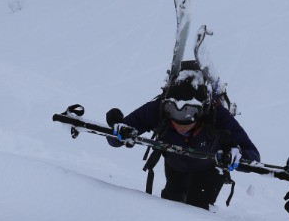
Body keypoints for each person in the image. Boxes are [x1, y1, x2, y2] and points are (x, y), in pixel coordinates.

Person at [106, 64, 260, 210]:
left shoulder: (217, 115)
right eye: (172, 110)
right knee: (170, 205)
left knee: (197, 212)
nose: (179, 120)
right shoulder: (157, 109)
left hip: (210, 170)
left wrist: (236, 156)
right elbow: (114, 140)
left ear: (202, 110)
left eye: (189, 112)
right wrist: (119, 131)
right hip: (176, 165)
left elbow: (253, 156)